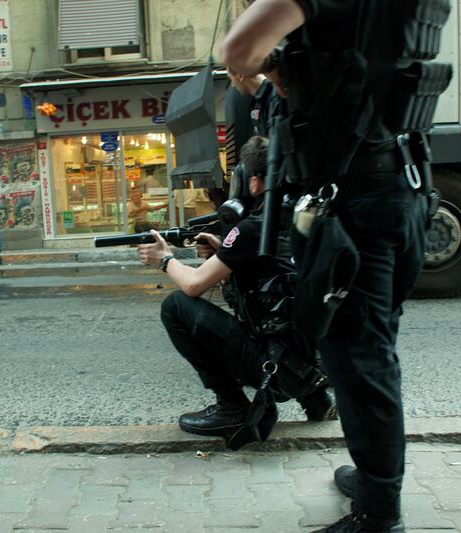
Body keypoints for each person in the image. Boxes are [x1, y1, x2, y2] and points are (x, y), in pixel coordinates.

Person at [222, 2, 429, 532]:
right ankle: (375, 479)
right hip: (401, 186)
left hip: (354, 202)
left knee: (360, 363)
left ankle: (379, 516)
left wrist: (264, 68)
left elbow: (238, 50)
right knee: (374, 353)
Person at [137, 136, 335, 444]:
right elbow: (273, 285)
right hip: (316, 367)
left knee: (175, 306)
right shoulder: (305, 221)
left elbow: (192, 285)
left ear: (255, 183)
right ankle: (318, 400)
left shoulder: (252, 229)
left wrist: (164, 260)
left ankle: (231, 408)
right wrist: (225, 255)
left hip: (274, 370)